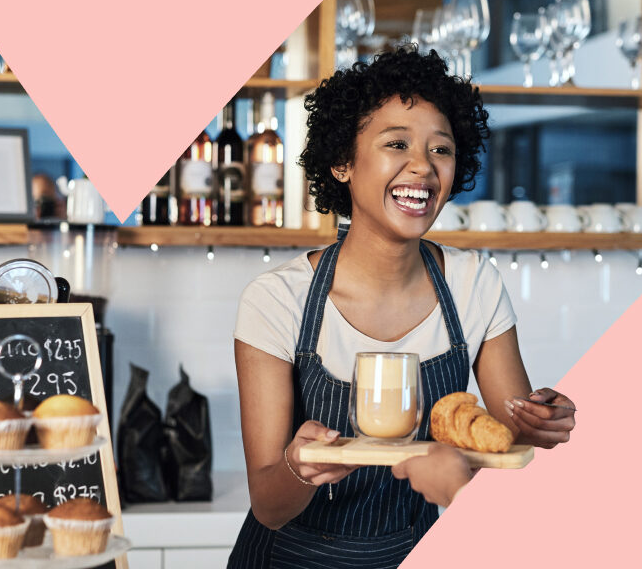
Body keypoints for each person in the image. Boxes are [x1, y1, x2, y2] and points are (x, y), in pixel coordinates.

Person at [228, 46, 576, 568]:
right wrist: (300, 467)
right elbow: (269, 505)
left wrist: (540, 422)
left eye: (442, 149)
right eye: (397, 144)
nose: (423, 168)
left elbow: (505, 439)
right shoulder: (279, 300)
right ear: (342, 163)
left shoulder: (473, 284)